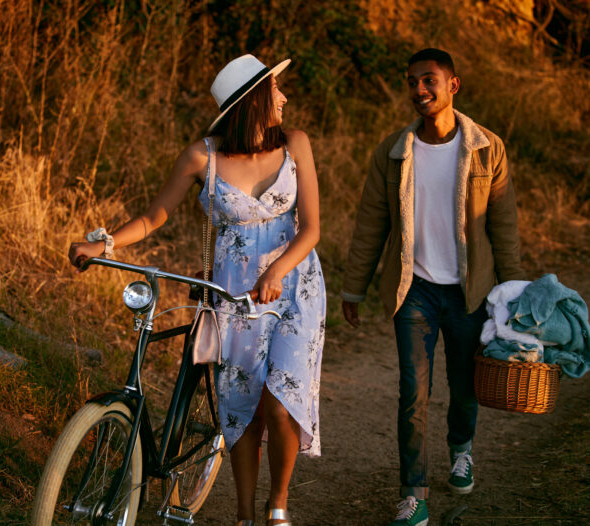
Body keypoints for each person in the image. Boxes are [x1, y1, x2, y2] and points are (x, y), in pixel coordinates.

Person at [69, 54, 326, 526]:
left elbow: (310, 228)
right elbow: (153, 217)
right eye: (276, 89)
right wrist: (102, 242)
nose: (284, 97)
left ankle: (278, 506)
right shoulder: (201, 157)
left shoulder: (296, 144)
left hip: (294, 286)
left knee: (280, 398)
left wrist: (275, 273)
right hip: (230, 292)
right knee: (242, 405)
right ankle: (245, 515)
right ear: (253, 100)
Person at [340, 48, 525, 526]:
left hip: (470, 291)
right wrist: (353, 289)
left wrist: (514, 295)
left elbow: (503, 227)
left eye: (429, 81)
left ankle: (461, 448)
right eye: (412, 82)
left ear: (453, 85)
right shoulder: (394, 150)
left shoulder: (488, 148)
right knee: (412, 393)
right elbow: (370, 224)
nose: (419, 90)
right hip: (414, 290)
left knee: (464, 387)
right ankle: (414, 493)